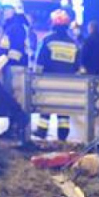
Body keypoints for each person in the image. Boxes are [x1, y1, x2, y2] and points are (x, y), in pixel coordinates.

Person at [33, 9, 82, 141]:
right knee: (63, 108)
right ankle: (63, 133)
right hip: (67, 87)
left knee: (45, 106)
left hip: (48, 85)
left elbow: (40, 62)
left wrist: (35, 80)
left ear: (53, 23)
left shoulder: (48, 40)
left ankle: (42, 130)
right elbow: (77, 67)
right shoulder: (73, 43)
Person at [0, 4, 33, 68]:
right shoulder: (10, 26)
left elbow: (16, 51)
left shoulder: (17, 27)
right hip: (8, 63)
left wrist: (9, 63)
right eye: (4, 10)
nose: (5, 12)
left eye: (8, 10)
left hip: (14, 65)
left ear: (15, 11)